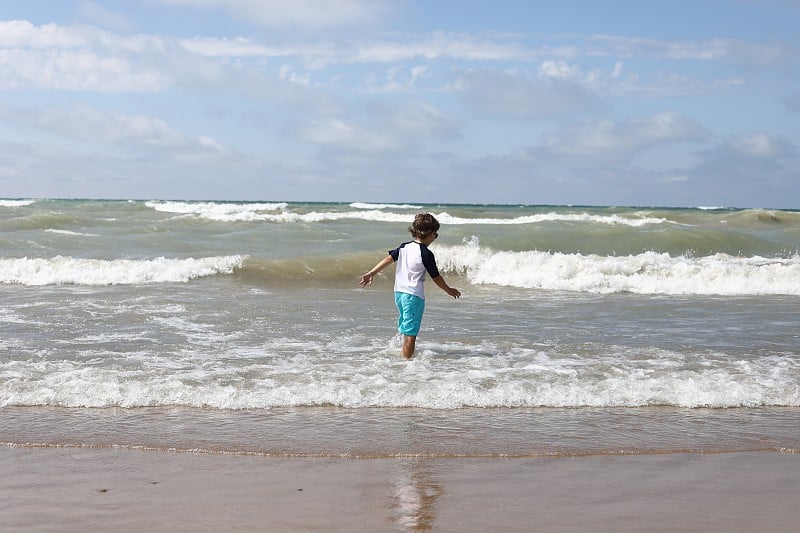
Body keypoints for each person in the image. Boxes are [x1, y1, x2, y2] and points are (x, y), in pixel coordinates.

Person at [359, 213, 461, 359]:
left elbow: (389, 259)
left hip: (399, 294)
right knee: (411, 333)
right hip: (413, 296)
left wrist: (372, 273)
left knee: (407, 328)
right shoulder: (426, 254)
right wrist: (448, 290)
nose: (435, 237)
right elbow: (436, 277)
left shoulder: (404, 247)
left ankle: (404, 356)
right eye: (435, 234)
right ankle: (406, 364)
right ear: (429, 234)